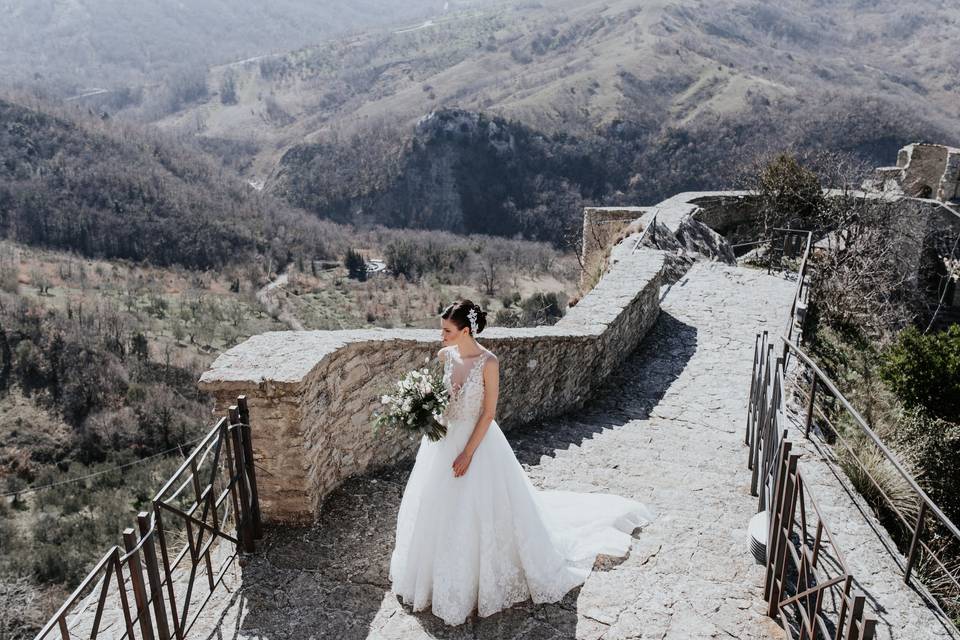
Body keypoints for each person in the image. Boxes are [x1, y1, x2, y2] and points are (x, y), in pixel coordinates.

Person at [389, 299, 655, 625]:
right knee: (436, 509)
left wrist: (468, 453)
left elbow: (488, 414)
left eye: (446, 329)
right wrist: (424, 412)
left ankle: (476, 580)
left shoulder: (488, 362)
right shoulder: (445, 356)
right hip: (442, 443)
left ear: (466, 330)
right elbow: (444, 403)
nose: (440, 335)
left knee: (480, 511)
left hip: (477, 444)